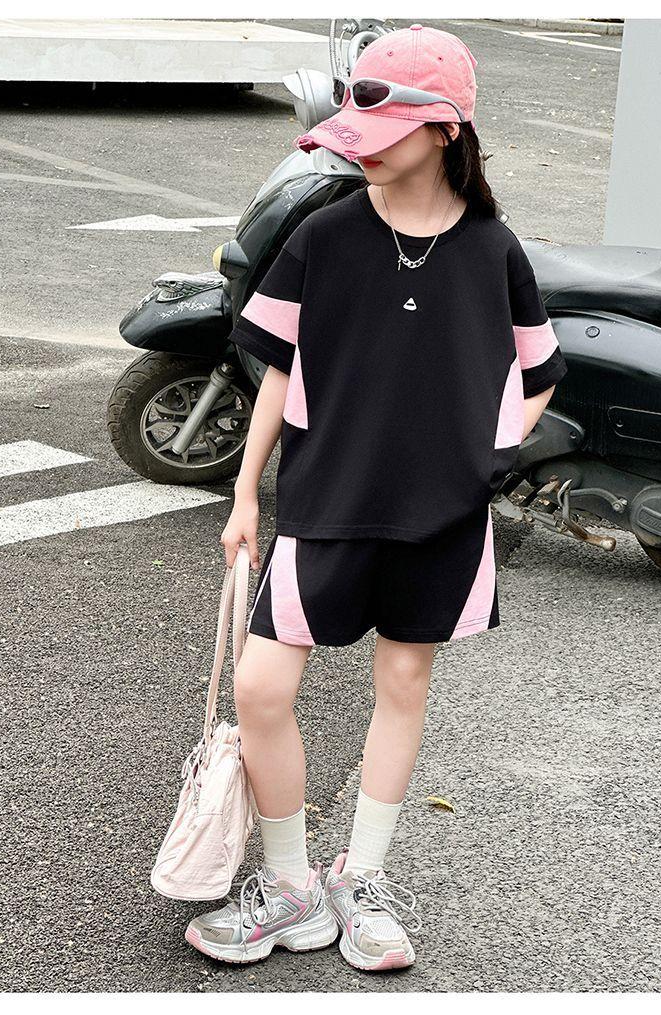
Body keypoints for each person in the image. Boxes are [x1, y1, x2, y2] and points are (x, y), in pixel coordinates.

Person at [184, 24, 568, 971]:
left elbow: (540, 371)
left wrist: (484, 455)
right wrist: (244, 492)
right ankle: (291, 885)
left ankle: (362, 879)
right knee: (261, 687)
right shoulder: (325, 234)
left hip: (441, 515)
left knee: (403, 684)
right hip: (325, 498)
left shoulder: (494, 249)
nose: (364, 150)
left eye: (387, 132)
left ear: (445, 132)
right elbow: (277, 369)